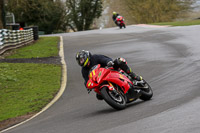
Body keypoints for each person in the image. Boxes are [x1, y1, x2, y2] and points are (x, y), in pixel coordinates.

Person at [76, 50, 143, 100]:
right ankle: (114, 95)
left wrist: (108, 62)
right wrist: (88, 87)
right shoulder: (84, 70)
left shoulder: (95, 57)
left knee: (119, 61)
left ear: (86, 57)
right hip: (100, 79)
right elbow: (87, 80)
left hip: (109, 70)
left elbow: (104, 59)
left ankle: (132, 75)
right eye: (79, 61)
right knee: (99, 96)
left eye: (81, 60)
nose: (81, 62)